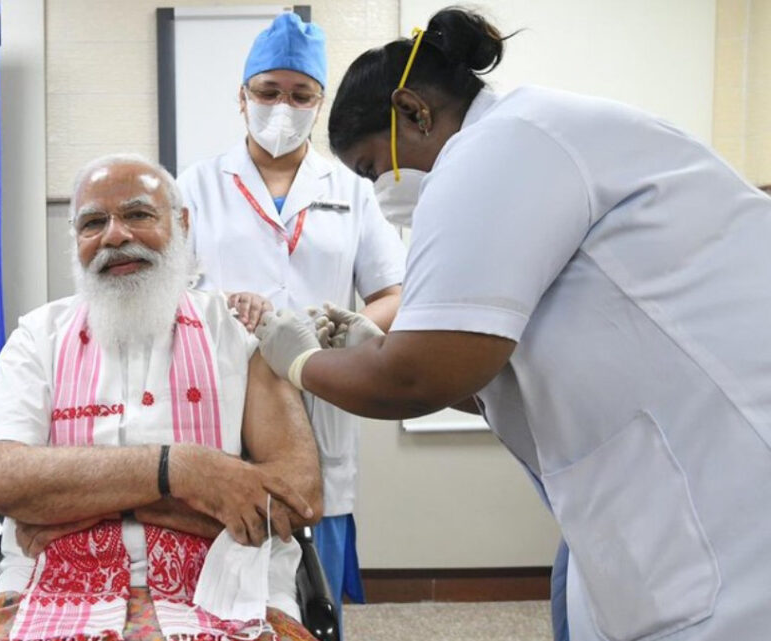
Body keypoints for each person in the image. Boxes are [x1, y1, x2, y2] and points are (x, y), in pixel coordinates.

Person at [255, 7, 771, 641]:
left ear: (413, 111)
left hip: (724, 491)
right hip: (639, 479)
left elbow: (414, 380)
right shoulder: (530, 138)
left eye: (371, 167)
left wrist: (301, 360)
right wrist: (375, 347)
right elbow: (493, 371)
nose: (381, 190)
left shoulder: (500, 146)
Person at [0, 154, 323, 641]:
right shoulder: (37, 337)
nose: (115, 236)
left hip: (224, 588)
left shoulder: (242, 333)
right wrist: (183, 471)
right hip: (48, 588)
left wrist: (83, 503)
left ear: (181, 224)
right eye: (94, 222)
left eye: (138, 214)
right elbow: (2, 480)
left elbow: (298, 496)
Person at [177, 12, 406, 613]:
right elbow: (167, 295)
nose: (283, 106)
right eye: (268, 91)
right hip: (222, 398)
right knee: (223, 579)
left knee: (313, 584)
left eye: (300, 95)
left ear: (319, 102)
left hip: (322, 394)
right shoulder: (196, 187)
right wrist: (219, 309)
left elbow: (393, 292)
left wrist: (344, 333)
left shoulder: (354, 189)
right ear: (242, 95)